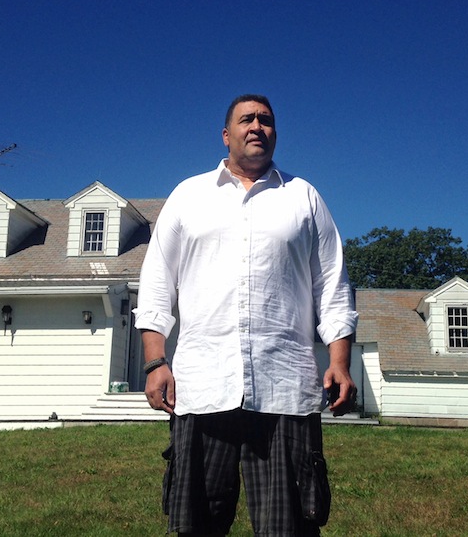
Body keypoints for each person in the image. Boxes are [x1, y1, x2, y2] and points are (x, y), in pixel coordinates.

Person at [133, 94, 359, 536]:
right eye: (247, 119)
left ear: (275, 133)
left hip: (284, 389)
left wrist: (338, 362)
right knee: (195, 524)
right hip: (201, 387)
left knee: (288, 526)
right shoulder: (188, 196)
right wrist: (157, 361)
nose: (257, 126)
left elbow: (332, 285)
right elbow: (157, 282)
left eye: (267, 120)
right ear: (226, 134)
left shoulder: (304, 197)